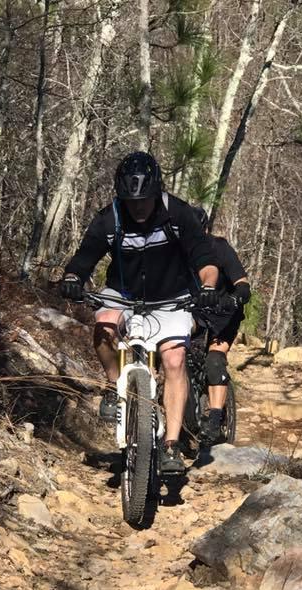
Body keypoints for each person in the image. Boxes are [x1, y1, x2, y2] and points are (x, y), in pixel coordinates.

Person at [59, 152, 220, 474]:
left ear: (156, 192)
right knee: (104, 327)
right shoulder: (110, 218)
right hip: (124, 293)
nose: (139, 207)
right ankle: (113, 384)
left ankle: (171, 445)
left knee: (174, 360)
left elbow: (205, 259)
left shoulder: (178, 214)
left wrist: (208, 287)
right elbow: (85, 256)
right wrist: (73, 277)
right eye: (131, 202)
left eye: (144, 200)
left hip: (172, 298)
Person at [193, 208, 252, 444]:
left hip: (224, 315)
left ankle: (216, 418)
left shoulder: (219, 248)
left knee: (214, 361)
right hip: (194, 313)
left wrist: (236, 298)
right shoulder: (176, 252)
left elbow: (243, 284)